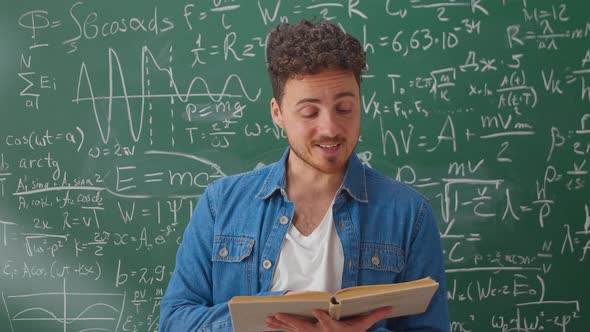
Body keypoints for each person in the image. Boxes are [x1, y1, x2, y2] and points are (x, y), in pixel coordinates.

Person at [160, 19, 449, 332]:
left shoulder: (410, 214)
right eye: (310, 112)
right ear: (278, 113)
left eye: (345, 108)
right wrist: (272, 313)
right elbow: (174, 322)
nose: (330, 128)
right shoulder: (221, 205)